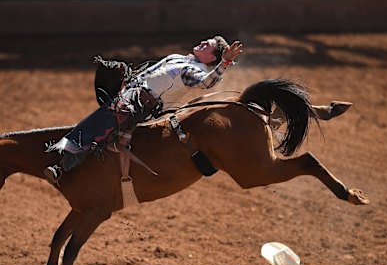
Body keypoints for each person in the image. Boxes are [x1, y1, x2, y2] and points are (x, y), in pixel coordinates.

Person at [44, 35, 244, 184]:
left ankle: (62, 167)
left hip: (141, 106)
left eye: (206, 45)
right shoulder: (180, 58)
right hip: (131, 93)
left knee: (102, 122)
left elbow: (207, 82)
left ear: (210, 58)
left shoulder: (195, 71)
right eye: (205, 40)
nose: (202, 42)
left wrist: (224, 63)